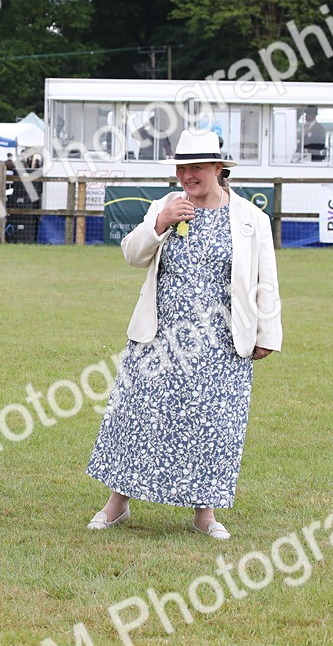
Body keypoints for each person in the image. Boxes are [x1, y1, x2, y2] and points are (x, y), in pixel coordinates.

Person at [85, 128, 281, 539]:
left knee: (213, 423)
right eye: (182, 167)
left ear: (217, 167)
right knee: (136, 417)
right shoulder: (166, 204)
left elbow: (267, 281)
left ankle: (204, 514)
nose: (188, 175)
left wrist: (267, 333)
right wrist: (160, 223)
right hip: (159, 336)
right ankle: (116, 504)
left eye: (197, 167)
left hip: (221, 343)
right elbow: (132, 255)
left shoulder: (251, 218)